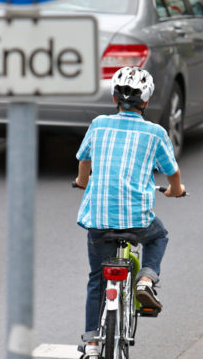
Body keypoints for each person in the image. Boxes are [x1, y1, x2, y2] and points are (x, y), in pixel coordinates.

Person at [74, 66, 185, 358]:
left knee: (97, 279)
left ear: (114, 98)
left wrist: (82, 183)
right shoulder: (155, 133)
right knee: (158, 236)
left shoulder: (98, 124)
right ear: (146, 103)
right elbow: (172, 172)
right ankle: (146, 280)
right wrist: (176, 189)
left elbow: (84, 162)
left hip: (98, 220)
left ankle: (92, 343)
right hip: (137, 219)